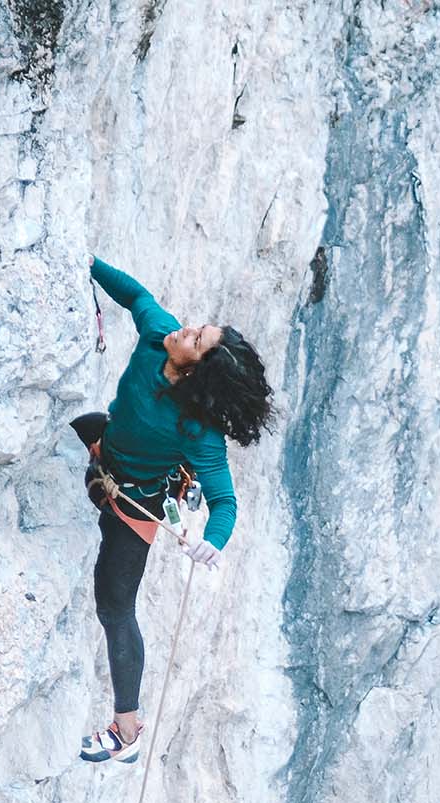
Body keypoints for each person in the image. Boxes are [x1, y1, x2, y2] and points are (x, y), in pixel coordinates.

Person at [77, 256, 273, 763]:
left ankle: (126, 731)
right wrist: (86, 261)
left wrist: (214, 540)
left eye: (196, 338)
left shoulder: (197, 430)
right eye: (197, 328)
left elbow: (225, 500)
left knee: (114, 607)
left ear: (195, 370)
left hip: (135, 504)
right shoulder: (157, 337)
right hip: (108, 449)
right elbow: (138, 296)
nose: (186, 330)